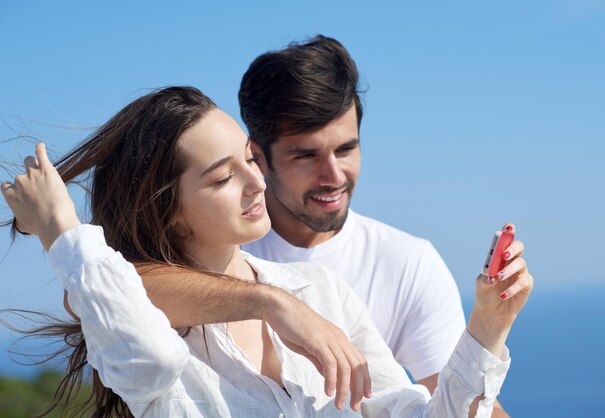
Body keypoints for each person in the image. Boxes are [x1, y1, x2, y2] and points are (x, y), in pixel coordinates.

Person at [1, 87, 533, 417]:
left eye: (250, 160)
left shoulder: (321, 291)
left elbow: (407, 414)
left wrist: (488, 326)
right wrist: (61, 230)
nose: (256, 183)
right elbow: (144, 350)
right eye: (221, 177)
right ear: (170, 210)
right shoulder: (146, 326)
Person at [135, 35, 510, 415]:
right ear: (261, 158)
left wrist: (490, 326)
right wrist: (273, 303)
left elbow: (444, 407)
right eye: (306, 155)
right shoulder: (221, 236)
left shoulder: (405, 263)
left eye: (346, 149)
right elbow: (112, 291)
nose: (334, 175)